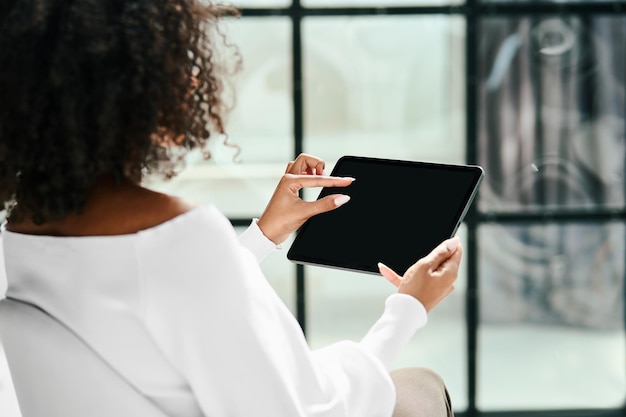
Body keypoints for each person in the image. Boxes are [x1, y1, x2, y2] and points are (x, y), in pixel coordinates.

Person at [0, 1, 462, 417]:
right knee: (420, 386)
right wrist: (407, 309)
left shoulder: (23, 230)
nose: (195, 77)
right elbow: (295, 410)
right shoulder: (180, 235)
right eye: (175, 61)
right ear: (122, 90)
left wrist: (263, 235)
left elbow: (154, 301)